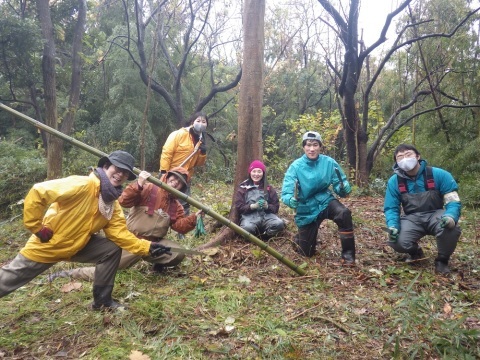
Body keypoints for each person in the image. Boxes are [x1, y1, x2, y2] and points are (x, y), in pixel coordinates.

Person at [0, 151, 169, 310]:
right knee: (8, 280)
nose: (120, 175)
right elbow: (39, 192)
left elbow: (119, 234)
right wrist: (36, 227)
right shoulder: (83, 184)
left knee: (111, 249)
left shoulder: (112, 204)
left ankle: (102, 301)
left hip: (78, 245)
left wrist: (147, 247)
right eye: (117, 169)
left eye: (125, 173)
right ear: (106, 166)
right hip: (49, 245)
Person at [47, 167, 203, 281]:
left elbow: (179, 226)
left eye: (179, 183)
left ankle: (157, 265)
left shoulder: (176, 205)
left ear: (183, 187)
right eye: (173, 178)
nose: (175, 183)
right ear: (167, 177)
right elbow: (124, 201)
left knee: (178, 252)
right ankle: (70, 274)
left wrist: (194, 218)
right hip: (132, 240)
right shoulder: (149, 188)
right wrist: (139, 184)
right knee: (112, 268)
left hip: (154, 244)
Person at [384, 144, 461, 274]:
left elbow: (452, 201)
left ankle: (442, 260)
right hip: (411, 218)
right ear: (396, 162)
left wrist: (450, 217)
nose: (405, 159)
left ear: (418, 156)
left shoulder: (440, 175)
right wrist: (393, 225)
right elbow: (391, 208)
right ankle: (415, 252)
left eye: (408, 154)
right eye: (400, 157)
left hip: (436, 215)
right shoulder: (394, 181)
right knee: (396, 240)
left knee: (451, 228)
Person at [281, 131, 355, 264]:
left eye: (315, 145)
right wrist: (290, 199)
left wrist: (343, 188)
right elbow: (287, 192)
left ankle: (348, 256)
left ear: (320, 146)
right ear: (303, 147)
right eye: (308, 145)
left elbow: (339, 182)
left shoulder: (329, 162)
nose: (312, 149)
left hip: (325, 200)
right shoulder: (296, 167)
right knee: (306, 253)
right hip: (306, 208)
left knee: (344, 214)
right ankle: (299, 239)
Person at [159, 111, 208, 215]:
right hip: (170, 173)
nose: (201, 123)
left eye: (204, 121)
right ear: (192, 122)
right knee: (161, 198)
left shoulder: (201, 139)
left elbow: (198, 163)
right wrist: (164, 172)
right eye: (198, 120)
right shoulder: (179, 134)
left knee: (183, 203)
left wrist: (203, 153)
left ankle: (181, 228)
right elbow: (167, 152)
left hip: (185, 176)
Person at [234, 160, 285, 239]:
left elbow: (276, 206)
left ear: (263, 173)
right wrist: (252, 206)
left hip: (266, 216)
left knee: (279, 224)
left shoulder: (268, 187)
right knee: (246, 229)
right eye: (254, 171)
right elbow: (239, 207)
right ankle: (254, 239)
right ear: (250, 172)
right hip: (249, 217)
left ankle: (266, 237)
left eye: (259, 172)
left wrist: (267, 206)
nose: (256, 174)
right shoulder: (243, 187)